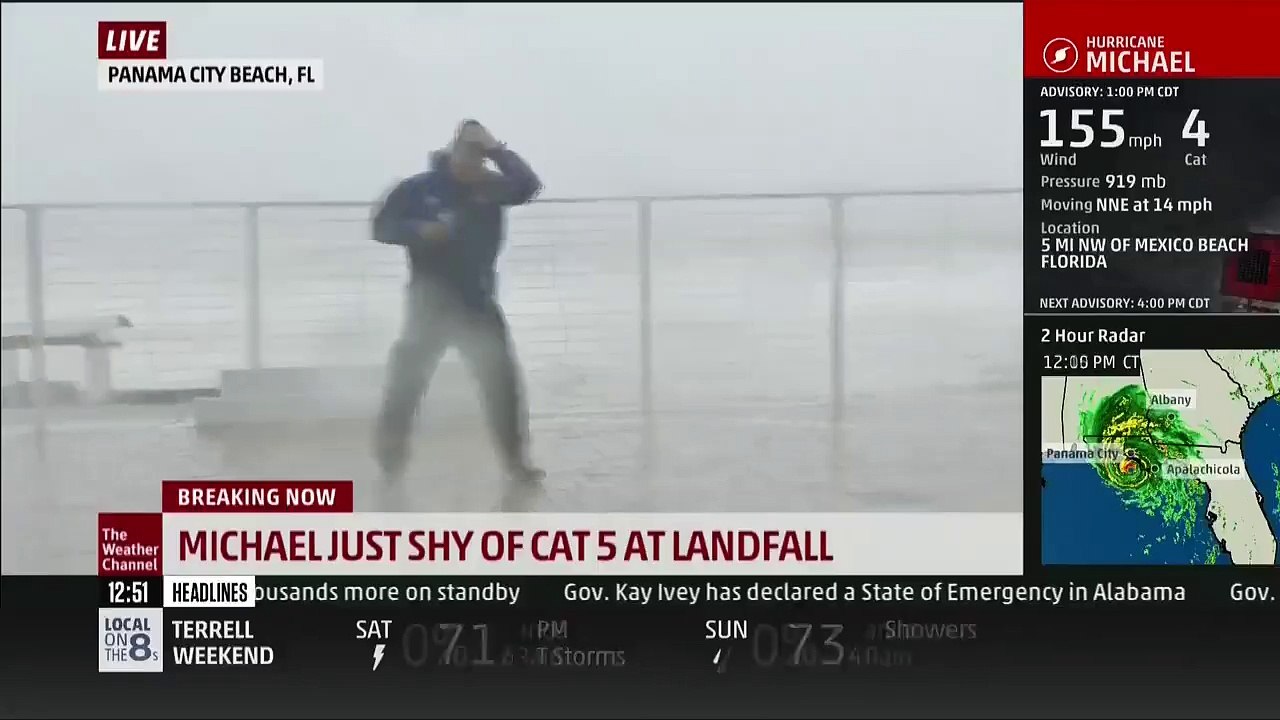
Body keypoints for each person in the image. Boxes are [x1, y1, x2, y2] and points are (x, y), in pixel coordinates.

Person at [371, 120, 545, 501]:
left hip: (477, 304)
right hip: (428, 306)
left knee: (502, 384)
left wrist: (497, 148)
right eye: (470, 157)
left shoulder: (490, 188)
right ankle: (390, 459)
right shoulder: (418, 189)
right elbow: (381, 226)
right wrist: (419, 231)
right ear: (453, 154)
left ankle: (516, 463)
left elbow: (529, 186)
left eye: (482, 159)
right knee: (407, 383)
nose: (476, 167)